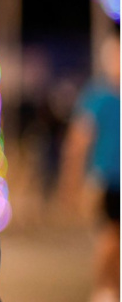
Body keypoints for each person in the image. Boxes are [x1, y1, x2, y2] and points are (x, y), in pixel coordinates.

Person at [59, 32, 119, 302]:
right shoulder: (97, 96)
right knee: (110, 235)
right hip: (106, 179)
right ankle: (105, 289)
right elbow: (78, 142)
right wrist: (71, 183)